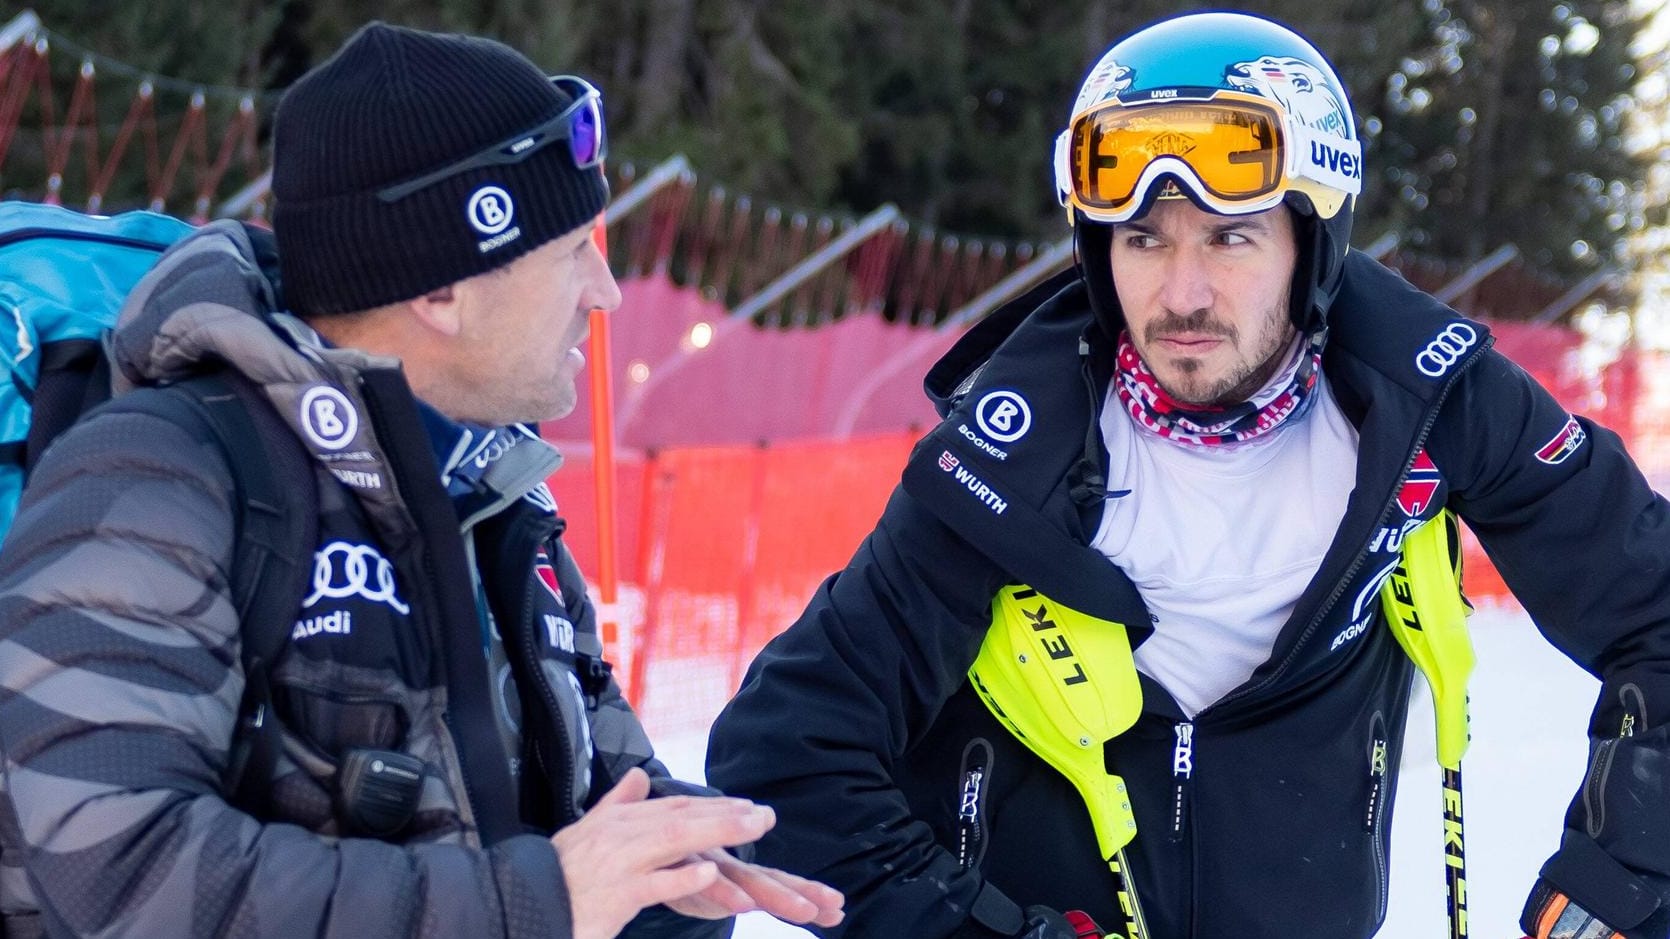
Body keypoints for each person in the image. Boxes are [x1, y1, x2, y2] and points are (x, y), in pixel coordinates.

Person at [707, 10, 1670, 939]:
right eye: (1144, 239)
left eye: (1230, 236)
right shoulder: (1012, 458)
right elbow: (786, 745)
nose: (1182, 294)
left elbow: (1655, 607)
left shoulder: (1432, 400)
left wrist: (1622, 872)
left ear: (1310, 242)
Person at [0, 22, 842, 939]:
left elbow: (587, 786)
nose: (606, 293)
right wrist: (538, 903)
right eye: (570, 255)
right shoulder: (159, 475)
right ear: (441, 290)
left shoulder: (498, 489)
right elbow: (124, 869)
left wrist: (675, 872)